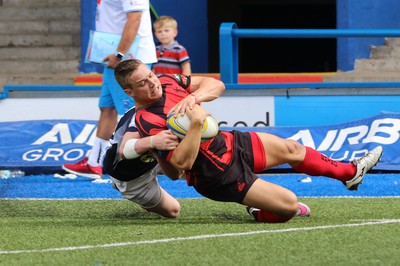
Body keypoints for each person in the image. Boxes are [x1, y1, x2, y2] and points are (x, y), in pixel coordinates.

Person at [114, 59, 383, 223]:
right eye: (143, 83)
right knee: (290, 207)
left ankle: (350, 173)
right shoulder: (146, 122)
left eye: (150, 75)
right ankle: (259, 210)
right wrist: (195, 124)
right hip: (217, 174)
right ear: (129, 91)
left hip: (230, 143)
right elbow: (178, 169)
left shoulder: (168, 80)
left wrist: (195, 97)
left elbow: (216, 85)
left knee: (293, 149)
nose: (152, 83)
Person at [63, 0, 157, 179]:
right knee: (107, 109)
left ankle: (140, 166)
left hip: (128, 59)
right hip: (115, 58)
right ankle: (94, 163)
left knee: (133, 112)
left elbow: (135, 18)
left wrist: (120, 54)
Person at [102, 106, 183, 218]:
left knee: (196, 161)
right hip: (130, 173)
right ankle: (123, 187)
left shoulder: (173, 105)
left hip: (150, 160)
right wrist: (154, 143)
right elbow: (125, 151)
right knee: (173, 210)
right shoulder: (143, 115)